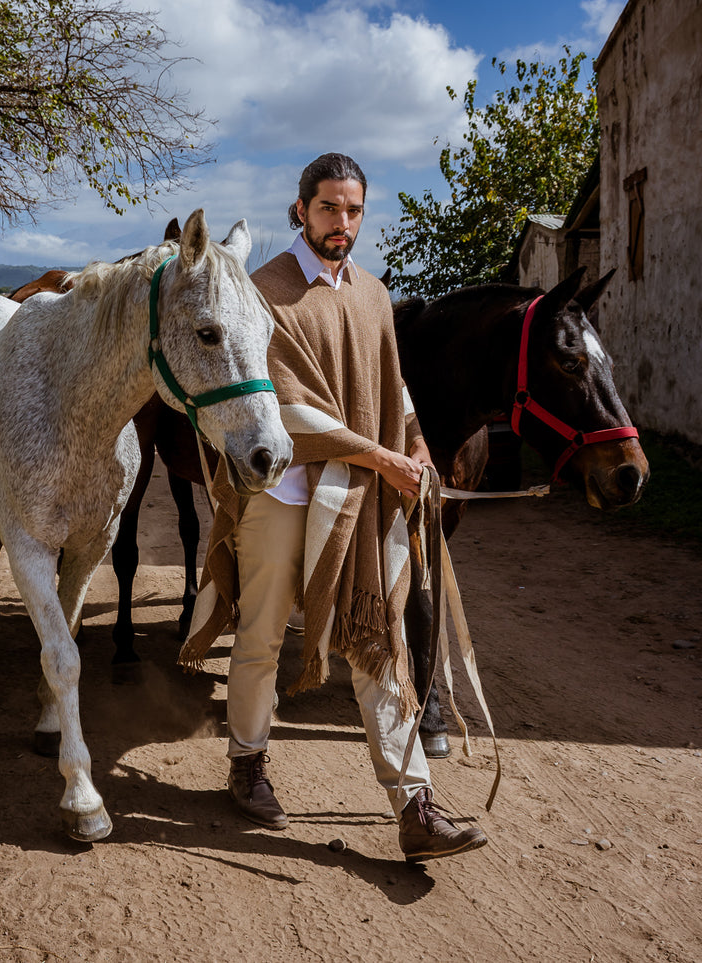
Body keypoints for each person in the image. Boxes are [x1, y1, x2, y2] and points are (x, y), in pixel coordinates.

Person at [179, 152, 488, 861]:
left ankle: (414, 806)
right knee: (259, 636)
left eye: (351, 210)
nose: (340, 222)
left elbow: (392, 386)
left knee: (376, 637)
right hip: (283, 494)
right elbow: (280, 409)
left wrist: (414, 445)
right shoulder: (263, 292)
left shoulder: (374, 294)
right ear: (300, 210)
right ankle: (247, 761)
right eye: (327, 208)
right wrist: (379, 457)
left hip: (357, 501)